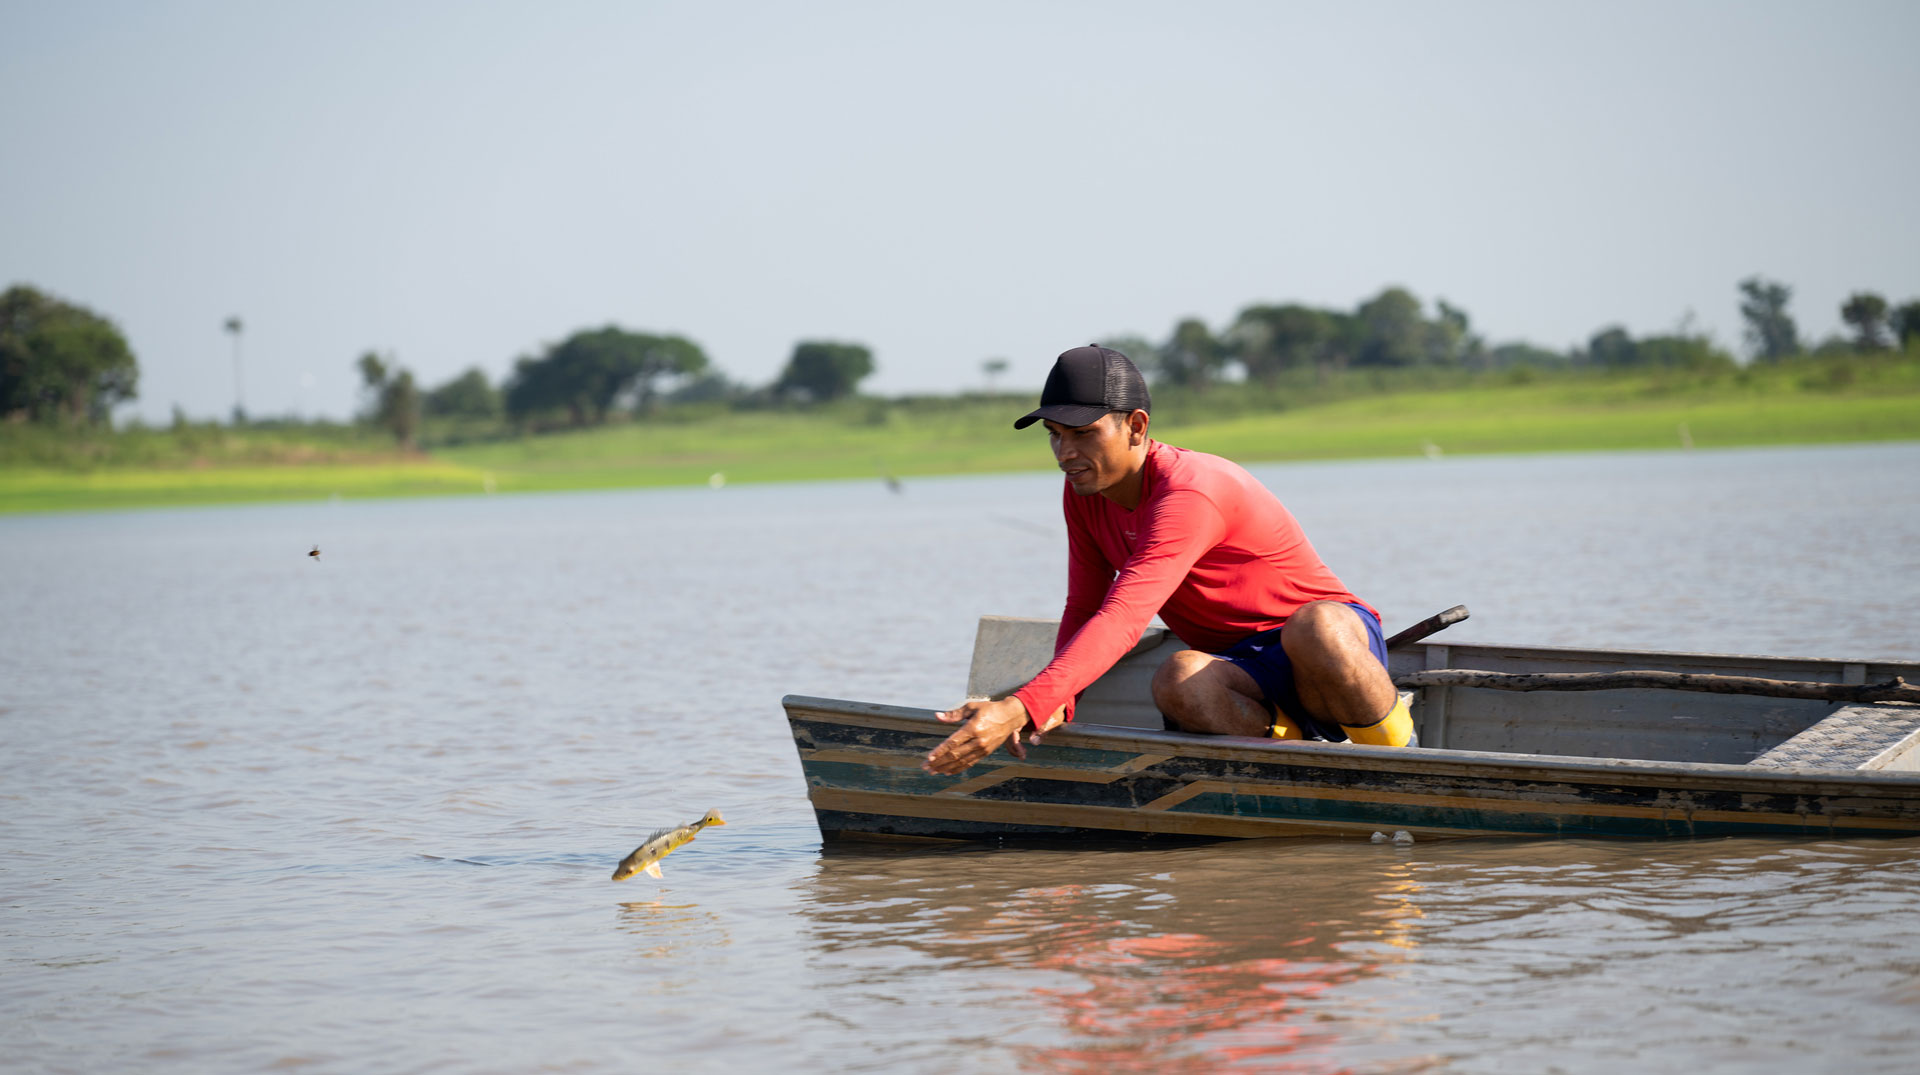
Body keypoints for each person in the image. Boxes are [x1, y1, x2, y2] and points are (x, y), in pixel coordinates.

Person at [923, 344, 1412, 776]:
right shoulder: (1085, 491)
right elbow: (1086, 607)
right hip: (1246, 671)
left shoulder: (1190, 491)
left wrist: (1023, 704)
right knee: (1178, 679)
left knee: (1316, 626)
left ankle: (1404, 756)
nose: (1065, 453)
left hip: (1326, 649)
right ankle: (1301, 758)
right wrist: (1059, 703)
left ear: (1136, 427)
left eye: (1083, 434)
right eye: (1054, 434)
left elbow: (1125, 617)